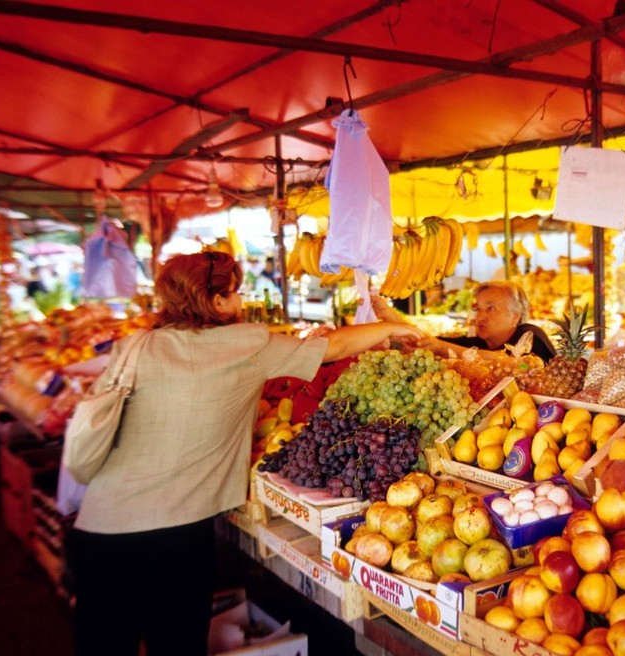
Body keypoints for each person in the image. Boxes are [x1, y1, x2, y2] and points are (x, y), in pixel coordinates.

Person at [67, 250, 421, 656]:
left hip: (99, 530)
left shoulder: (135, 346)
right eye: (235, 294)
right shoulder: (243, 343)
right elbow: (333, 347)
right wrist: (387, 328)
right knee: (176, 644)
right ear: (216, 301)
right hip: (174, 535)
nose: (240, 303)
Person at [373, 280, 557, 363]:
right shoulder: (477, 342)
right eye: (478, 309)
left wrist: (440, 348)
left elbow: (520, 366)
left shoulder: (530, 335)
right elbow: (427, 341)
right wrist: (388, 315)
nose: (480, 316)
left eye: (491, 308)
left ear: (515, 316)